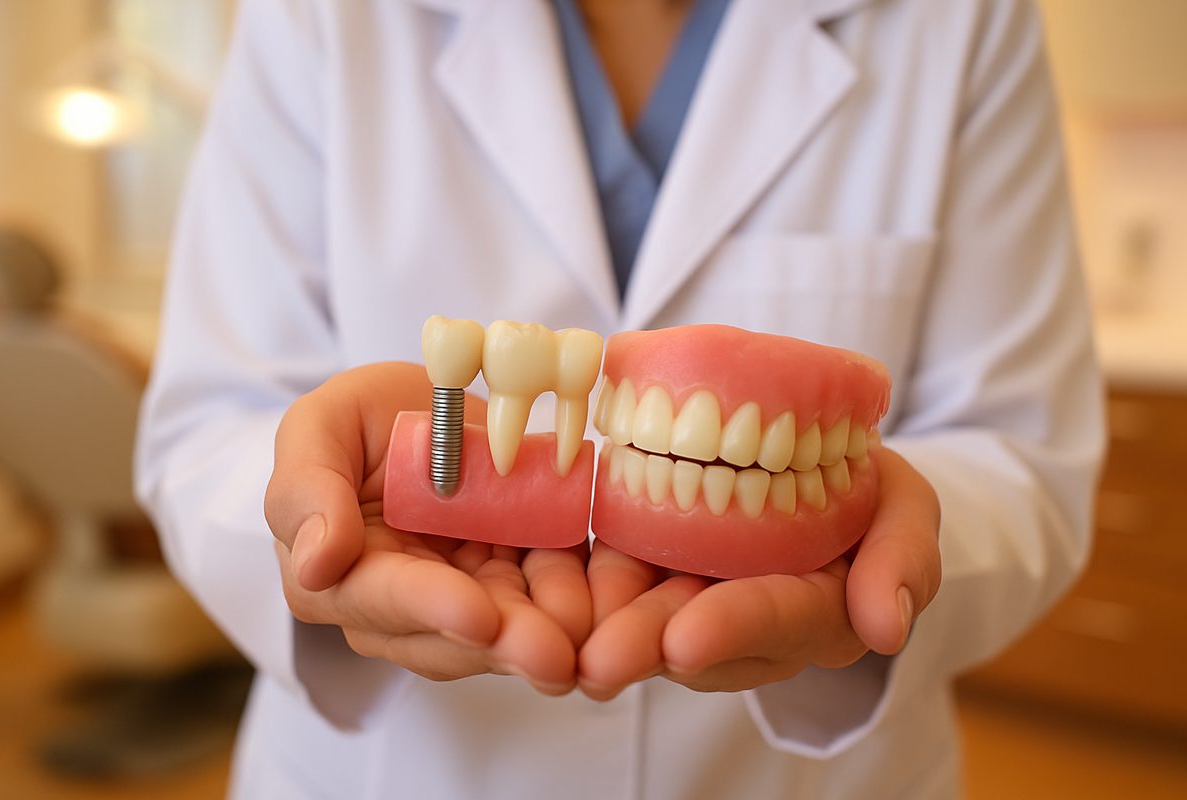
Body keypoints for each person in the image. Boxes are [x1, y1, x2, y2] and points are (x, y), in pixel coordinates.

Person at [135, 0, 1105, 797]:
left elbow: (1019, 447)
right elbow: (209, 421)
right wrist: (315, 521)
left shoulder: (964, 16)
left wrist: (894, 548)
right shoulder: (316, 13)